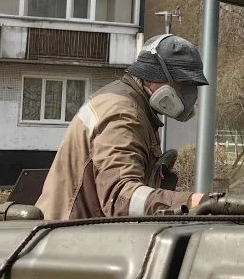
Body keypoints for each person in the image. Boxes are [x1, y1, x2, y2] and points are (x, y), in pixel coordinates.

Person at [36, 34, 209, 220]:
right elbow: (120, 197)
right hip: (69, 233)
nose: (187, 94)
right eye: (182, 83)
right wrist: (193, 202)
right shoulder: (123, 113)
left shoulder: (136, 106)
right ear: (151, 76)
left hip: (80, 230)